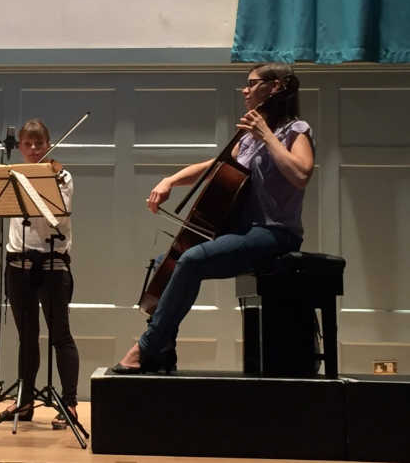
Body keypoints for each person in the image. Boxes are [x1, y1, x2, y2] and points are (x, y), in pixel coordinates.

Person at [111, 62, 315, 374]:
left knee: (191, 261)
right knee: (165, 260)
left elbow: (301, 174)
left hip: (275, 233)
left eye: (251, 83)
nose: (245, 90)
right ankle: (164, 352)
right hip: (244, 231)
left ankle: (147, 346)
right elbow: (214, 167)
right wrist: (170, 180)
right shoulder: (246, 138)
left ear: (274, 87)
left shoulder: (294, 131)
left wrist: (267, 137)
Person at [0, 119, 81, 429]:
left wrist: (35, 184)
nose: (34, 150)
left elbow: (59, 212)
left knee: (61, 335)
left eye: (39, 144)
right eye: (28, 144)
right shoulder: (13, 177)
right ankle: (25, 400)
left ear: (48, 144)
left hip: (52, 265)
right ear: (19, 147)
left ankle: (70, 403)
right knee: (27, 337)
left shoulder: (62, 177)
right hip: (18, 266)